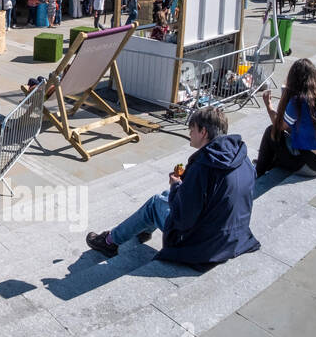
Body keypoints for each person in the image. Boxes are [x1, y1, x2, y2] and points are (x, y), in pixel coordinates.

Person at [85, 105, 260, 268]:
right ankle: (143, 228)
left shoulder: (203, 165)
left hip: (203, 246)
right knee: (165, 195)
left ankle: (109, 242)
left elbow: (184, 219)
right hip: (235, 237)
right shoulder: (242, 156)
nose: (190, 134)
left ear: (203, 132)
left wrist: (177, 186)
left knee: (155, 203)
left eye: (192, 130)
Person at [257, 59, 316, 177]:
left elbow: (279, 126)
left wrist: (269, 106)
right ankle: (271, 163)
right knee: (289, 132)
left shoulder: (298, 100)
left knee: (271, 132)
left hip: (310, 165)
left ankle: (258, 171)